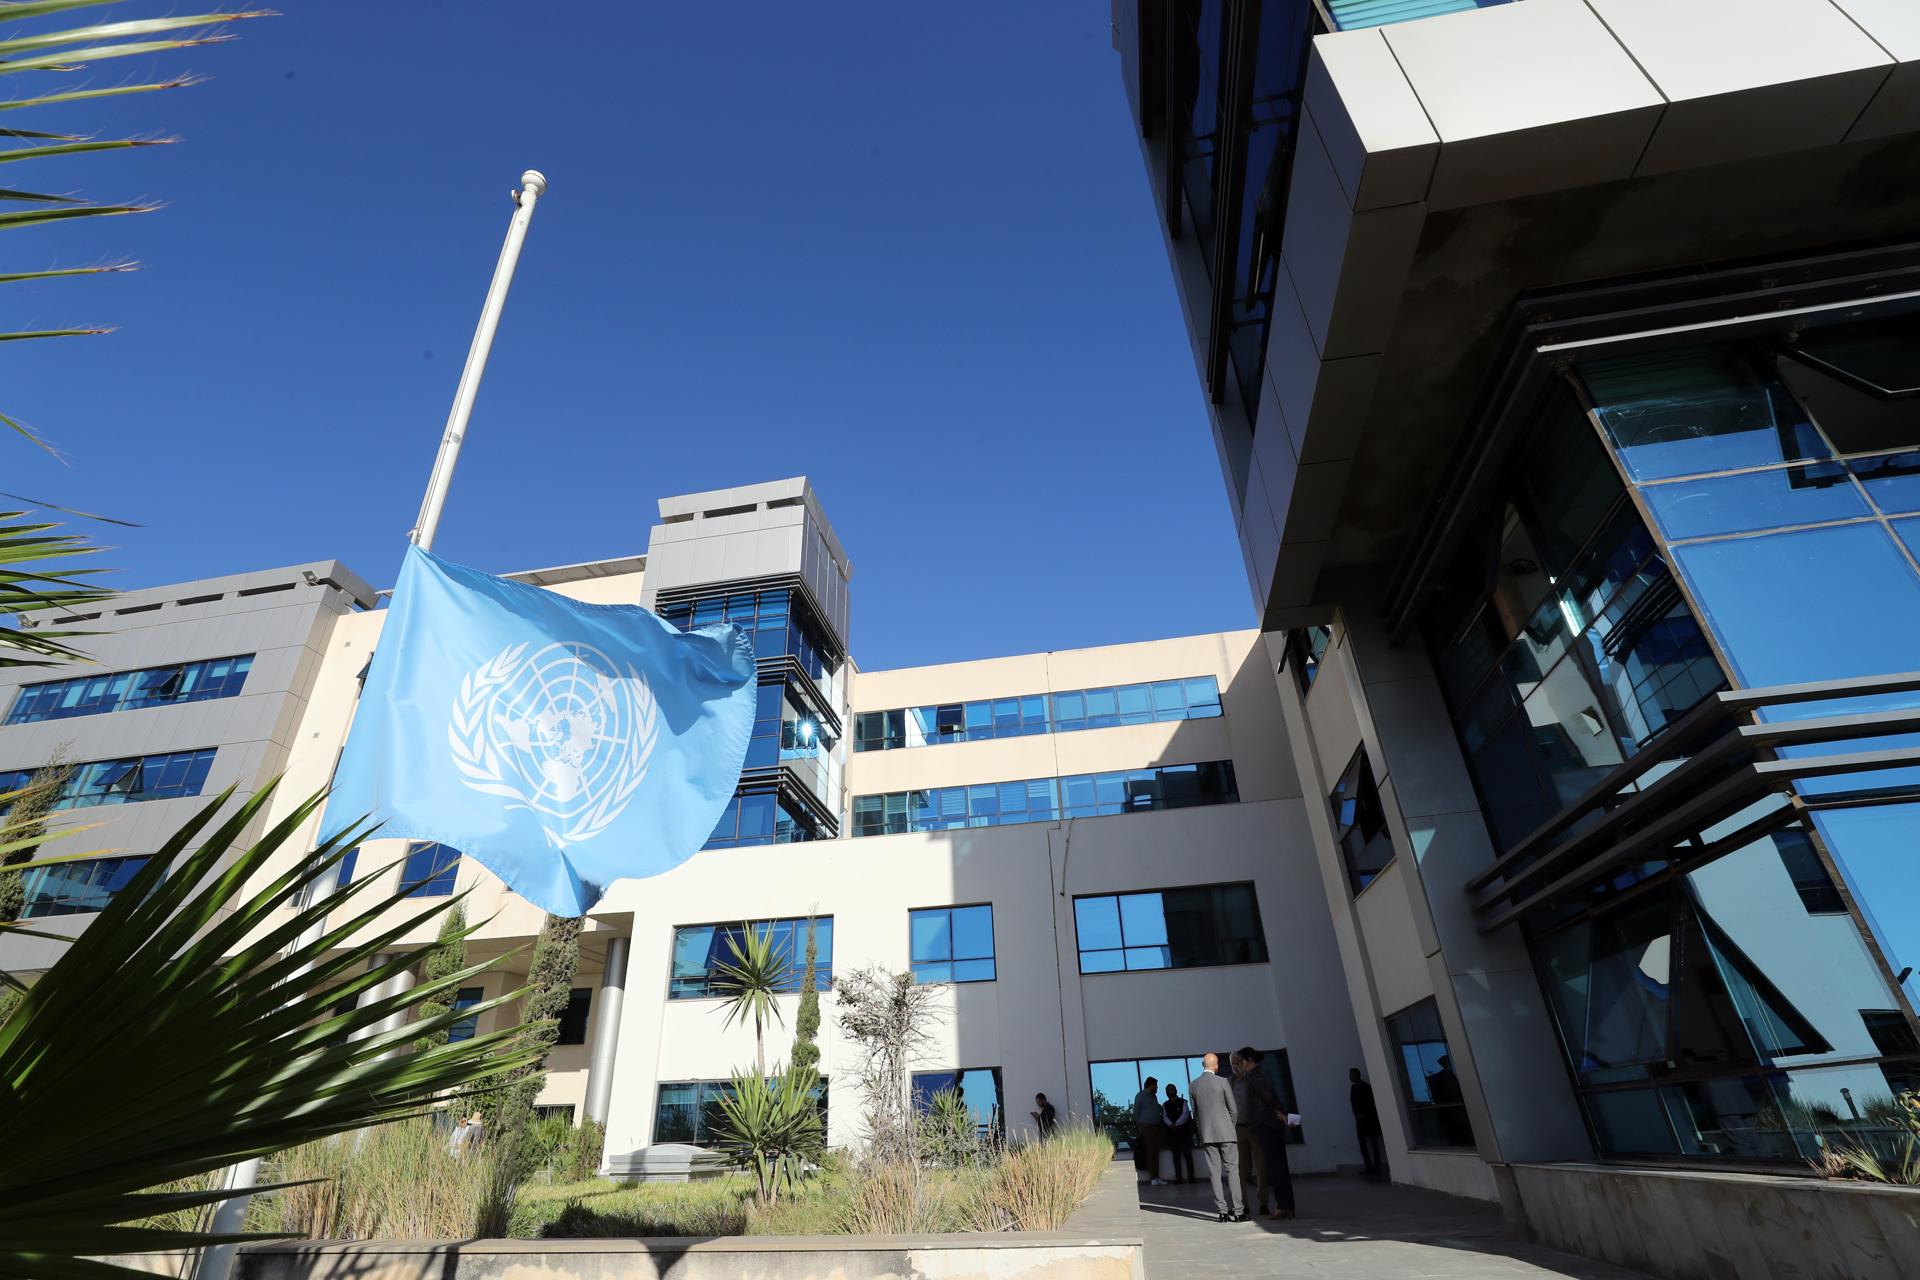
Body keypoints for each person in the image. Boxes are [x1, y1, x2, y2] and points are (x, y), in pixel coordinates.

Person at [1233, 1048, 1295, 1219]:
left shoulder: (1255, 1075)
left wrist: (1281, 1113)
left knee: (1275, 1168)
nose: (1239, 1065)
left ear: (1248, 1060)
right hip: (1267, 1124)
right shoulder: (1260, 1074)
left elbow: (1268, 1096)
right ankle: (1287, 1206)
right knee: (1278, 1167)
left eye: (1240, 1061)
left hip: (1267, 1125)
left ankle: (1284, 1206)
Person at [1189, 1052, 1243, 1223]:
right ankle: (1238, 1211)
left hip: (1207, 1134)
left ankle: (1222, 1212)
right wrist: (1230, 1126)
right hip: (1227, 1133)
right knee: (1232, 1170)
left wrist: (1202, 1130)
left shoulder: (1194, 1085)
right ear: (1216, 1066)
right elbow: (1233, 1109)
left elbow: (1195, 1114)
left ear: (1202, 1065)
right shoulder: (1222, 1082)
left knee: (1214, 1173)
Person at [1229, 1054, 1271, 1215]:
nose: (1235, 1066)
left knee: (1261, 1167)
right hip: (1238, 1130)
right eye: (1232, 1064)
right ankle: (1243, 1204)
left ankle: (1263, 1202)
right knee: (1240, 1169)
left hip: (1255, 1129)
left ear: (1244, 1062)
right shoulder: (1229, 1083)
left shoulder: (1254, 1080)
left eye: (1237, 1063)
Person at [1350, 1067, 1385, 1177]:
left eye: (1351, 1075)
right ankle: (1369, 1166)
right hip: (1361, 1121)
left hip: (1369, 1120)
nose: (1350, 1077)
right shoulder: (1354, 1087)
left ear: (1356, 1075)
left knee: (1373, 1144)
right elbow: (1354, 1103)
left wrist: (1363, 1114)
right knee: (1364, 1144)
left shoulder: (1365, 1087)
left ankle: (1376, 1167)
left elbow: (1370, 1103)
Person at [1133, 1076, 1167, 1186]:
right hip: (1146, 1128)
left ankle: (1157, 1177)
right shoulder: (1141, 1096)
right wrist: (1139, 1126)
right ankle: (1152, 1178)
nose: (1157, 1087)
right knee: (1150, 1152)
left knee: (1156, 1153)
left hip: (1156, 1127)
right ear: (1150, 1085)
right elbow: (1136, 1111)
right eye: (1155, 1085)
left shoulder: (1154, 1097)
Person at [1162, 1082, 1195, 1184]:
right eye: (1167, 1091)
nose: (1169, 1092)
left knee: (1187, 1156)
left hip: (1184, 1133)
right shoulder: (1165, 1105)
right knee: (1175, 1158)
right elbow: (1164, 1117)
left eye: (1171, 1090)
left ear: (1176, 1090)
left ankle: (1191, 1177)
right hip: (1172, 1135)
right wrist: (1171, 1124)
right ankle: (1178, 1178)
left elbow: (1185, 1114)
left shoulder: (1183, 1102)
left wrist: (1176, 1124)